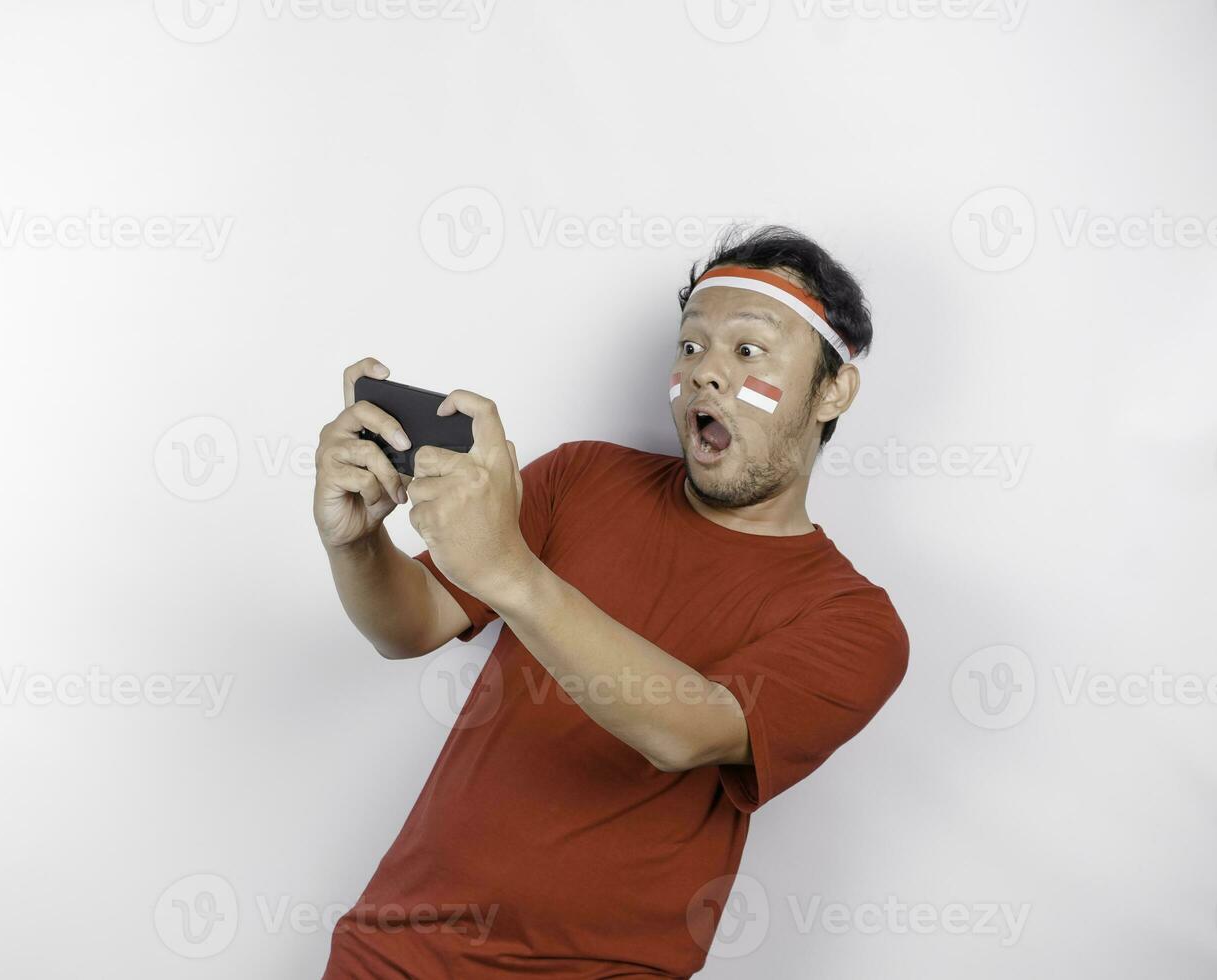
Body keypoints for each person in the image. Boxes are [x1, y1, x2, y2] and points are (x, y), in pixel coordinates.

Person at [314, 226, 909, 978]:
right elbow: (411, 624)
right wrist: (356, 543)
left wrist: (511, 571)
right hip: (395, 955)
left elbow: (686, 732)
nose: (706, 376)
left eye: (748, 351)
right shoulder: (583, 477)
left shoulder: (854, 622)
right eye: (691, 348)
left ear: (833, 389)